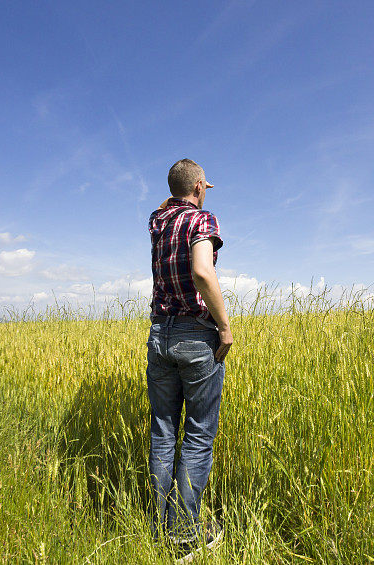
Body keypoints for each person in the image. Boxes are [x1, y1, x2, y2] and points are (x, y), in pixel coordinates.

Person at [145, 158, 233, 559]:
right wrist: (225, 328)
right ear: (199, 186)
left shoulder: (157, 222)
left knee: (163, 432)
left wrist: (177, 195)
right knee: (198, 435)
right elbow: (201, 271)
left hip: (159, 335)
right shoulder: (203, 220)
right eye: (203, 188)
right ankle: (184, 535)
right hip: (197, 337)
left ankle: (158, 526)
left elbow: (166, 206)